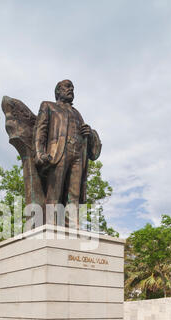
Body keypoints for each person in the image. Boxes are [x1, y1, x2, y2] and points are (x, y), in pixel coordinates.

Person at [34, 79, 101, 226]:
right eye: (67, 87)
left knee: (74, 194)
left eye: (72, 88)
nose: (71, 90)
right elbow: (40, 130)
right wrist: (39, 153)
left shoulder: (77, 113)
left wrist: (88, 133)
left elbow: (86, 137)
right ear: (58, 91)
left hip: (78, 154)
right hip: (58, 153)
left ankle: (72, 225)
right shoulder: (48, 106)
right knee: (54, 191)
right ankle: (50, 224)